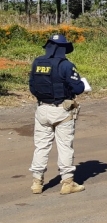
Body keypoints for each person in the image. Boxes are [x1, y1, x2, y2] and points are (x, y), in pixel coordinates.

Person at [29, 34, 86, 195]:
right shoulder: (66, 65)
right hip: (62, 110)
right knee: (65, 146)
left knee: (41, 146)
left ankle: (36, 182)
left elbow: (32, 87)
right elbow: (78, 88)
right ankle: (67, 182)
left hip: (42, 109)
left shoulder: (37, 63)